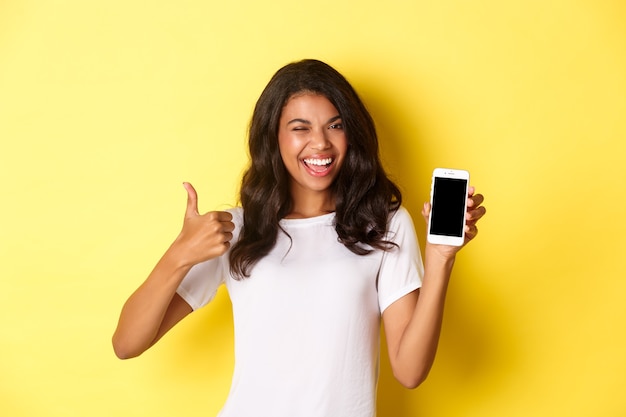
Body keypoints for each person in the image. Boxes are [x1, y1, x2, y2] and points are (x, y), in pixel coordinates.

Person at [112, 59, 486, 416]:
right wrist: (179, 254)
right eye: (300, 128)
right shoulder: (239, 229)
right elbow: (127, 343)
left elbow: (409, 371)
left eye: (335, 126)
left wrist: (440, 257)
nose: (320, 143)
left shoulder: (383, 224)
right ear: (273, 137)